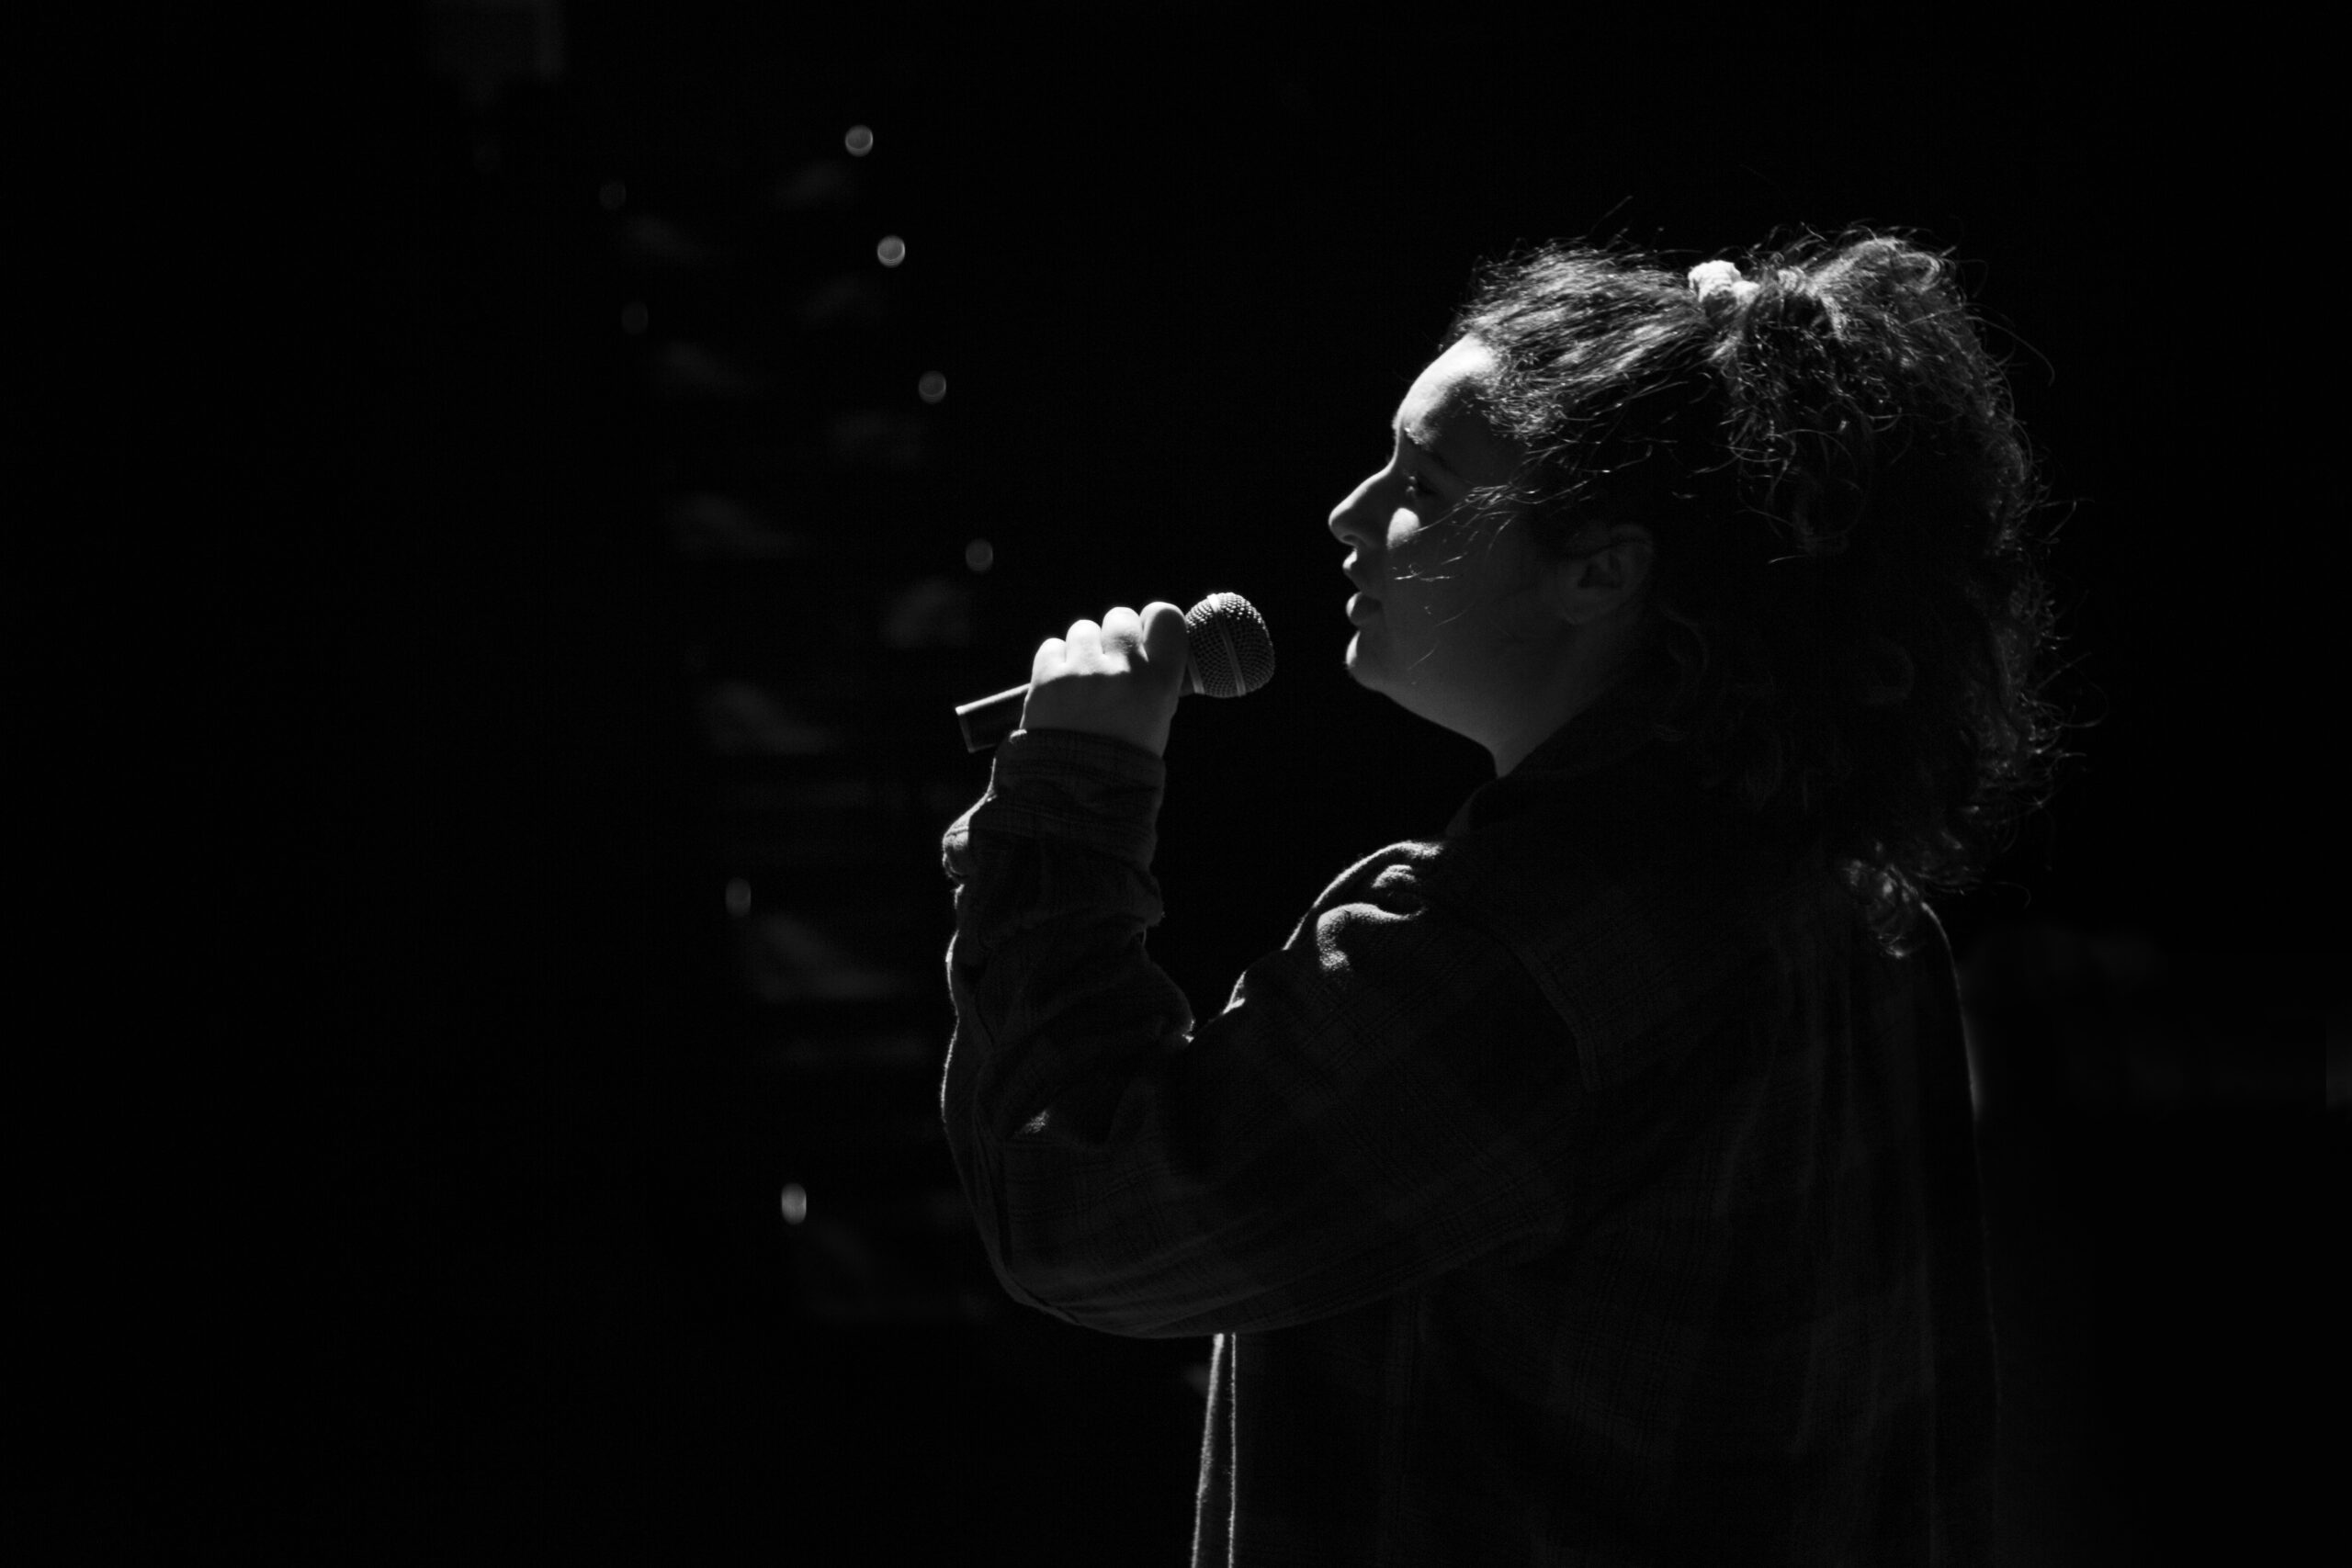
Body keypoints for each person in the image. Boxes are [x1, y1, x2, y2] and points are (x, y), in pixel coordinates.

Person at [938, 230, 2059, 1566]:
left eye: (1424, 479)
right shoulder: (1855, 904)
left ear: (1603, 569)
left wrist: (1076, 785)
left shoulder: (1520, 957)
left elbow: (1078, 1214)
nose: (1353, 512)